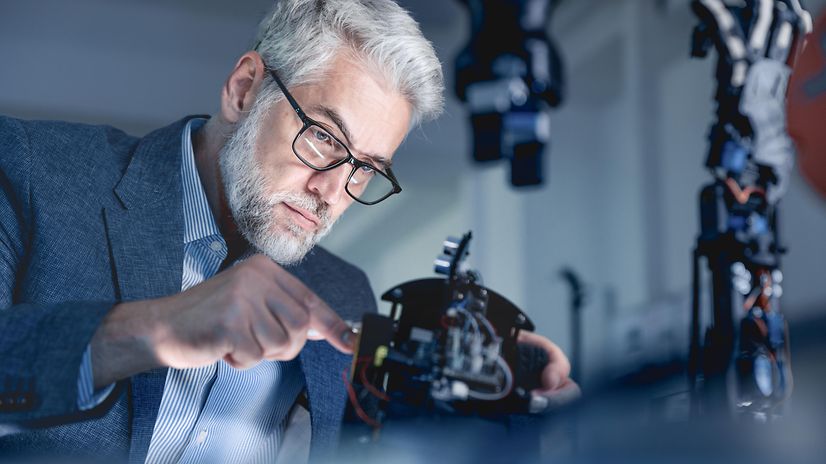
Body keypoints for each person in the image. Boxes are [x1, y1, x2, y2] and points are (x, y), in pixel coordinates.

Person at [0, 0, 578, 462]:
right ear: (244, 89)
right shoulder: (30, 170)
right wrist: (158, 327)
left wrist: (491, 400)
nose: (332, 190)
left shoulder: (344, 295)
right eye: (324, 137)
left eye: (366, 169)